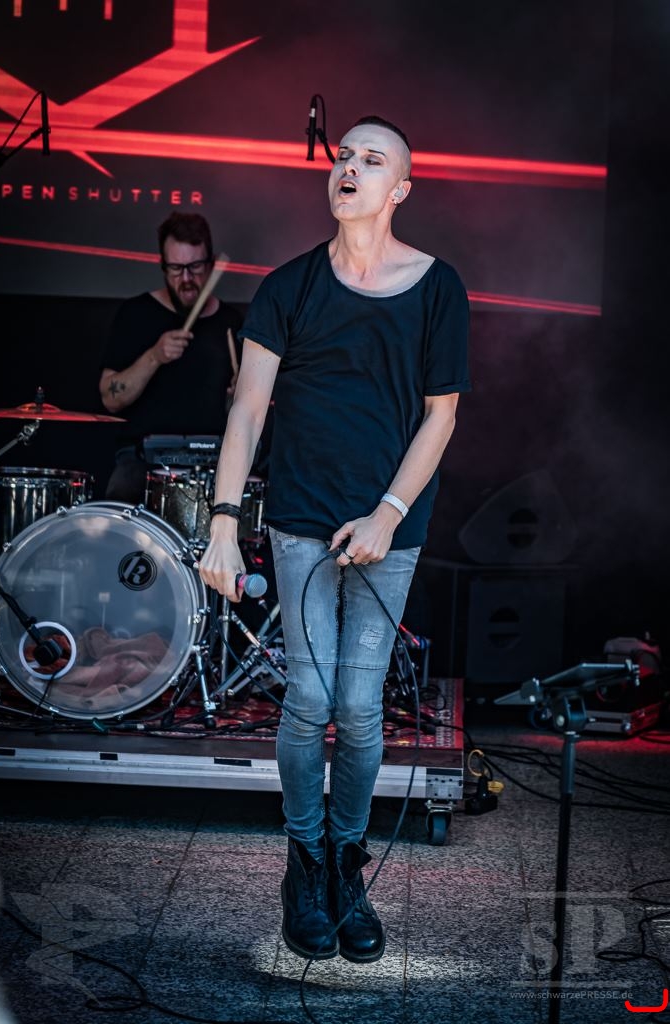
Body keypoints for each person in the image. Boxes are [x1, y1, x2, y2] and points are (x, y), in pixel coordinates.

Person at [198, 115, 470, 963]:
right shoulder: (289, 287)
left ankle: (345, 865)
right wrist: (222, 523)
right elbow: (247, 410)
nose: (349, 167)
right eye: (343, 156)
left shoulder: (437, 287)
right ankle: (304, 861)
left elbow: (440, 418)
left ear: (400, 190)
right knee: (310, 700)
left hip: (392, 524)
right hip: (302, 518)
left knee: (358, 708)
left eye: (371, 159)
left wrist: (388, 513)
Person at [99, 211, 243, 504]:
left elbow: (241, 419)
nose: (187, 279)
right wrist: (154, 356)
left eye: (195, 267)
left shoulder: (231, 323)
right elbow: (110, 399)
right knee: (121, 494)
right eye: (176, 268)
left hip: (213, 461)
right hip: (142, 461)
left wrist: (236, 398)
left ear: (211, 264)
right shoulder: (136, 314)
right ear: (163, 266)